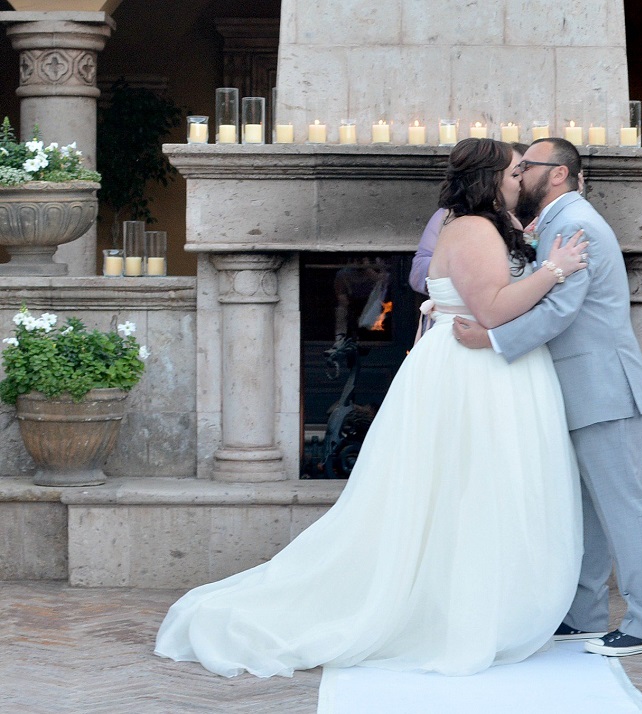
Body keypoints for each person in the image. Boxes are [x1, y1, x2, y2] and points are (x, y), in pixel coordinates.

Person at [154, 138, 590, 678]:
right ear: (489, 178)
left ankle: (473, 602)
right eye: (513, 169)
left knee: (474, 489)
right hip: (473, 377)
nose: (520, 176)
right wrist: (555, 269)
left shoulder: (483, 227)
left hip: (485, 372)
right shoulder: (474, 229)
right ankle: (456, 613)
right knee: (471, 488)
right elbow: (495, 310)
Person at [453, 137, 642, 658]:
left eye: (526, 166)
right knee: (589, 510)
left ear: (556, 174)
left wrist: (493, 340)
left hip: (603, 390)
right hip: (579, 390)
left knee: (623, 507)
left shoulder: (578, 225)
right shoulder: (553, 223)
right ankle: (585, 616)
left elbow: (560, 311)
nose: (518, 174)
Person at [409, 142, 530, 295]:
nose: (521, 180)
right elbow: (417, 272)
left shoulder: (526, 216)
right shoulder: (458, 220)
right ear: (492, 181)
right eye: (515, 174)